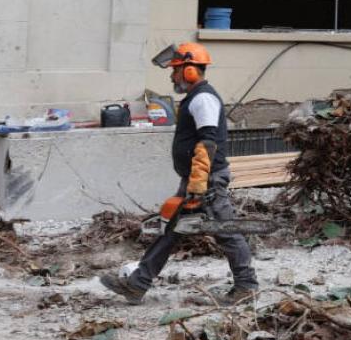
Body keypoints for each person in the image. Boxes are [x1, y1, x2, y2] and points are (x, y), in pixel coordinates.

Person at [100, 42, 258, 305]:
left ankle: (247, 287)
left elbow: (207, 143)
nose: (172, 76)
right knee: (170, 231)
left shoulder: (203, 98)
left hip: (206, 180)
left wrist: (198, 184)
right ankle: (138, 283)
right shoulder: (195, 98)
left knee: (227, 231)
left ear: (190, 71)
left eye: (176, 70)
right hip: (196, 180)